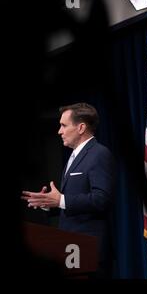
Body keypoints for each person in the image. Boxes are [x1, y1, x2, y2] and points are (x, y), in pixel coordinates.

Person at [22, 103, 115, 278]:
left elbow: (102, 199)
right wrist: (48, 203)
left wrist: (61, 200)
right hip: (71, 250)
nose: (59, 131)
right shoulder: (74, 157)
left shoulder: (99, 154)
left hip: (90, 250)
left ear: (81, 127)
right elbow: (71, 201)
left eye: (64, 125)